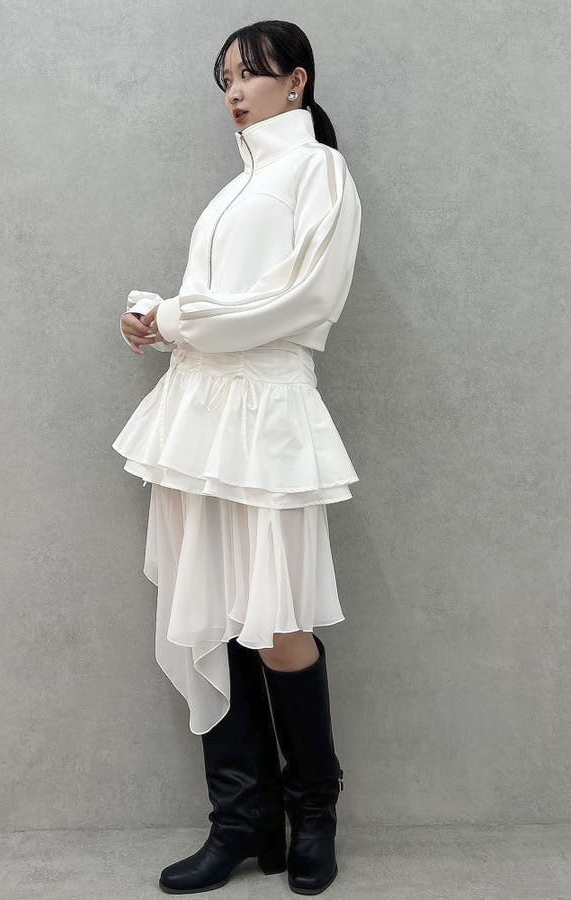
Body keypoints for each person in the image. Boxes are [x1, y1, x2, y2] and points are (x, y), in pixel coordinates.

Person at [112, 20, 362, 896]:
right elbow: (219, 304)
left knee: (279, 622)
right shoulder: (234, 189)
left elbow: (304, 302)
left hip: (270, 418)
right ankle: (242, 821)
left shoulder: (318, 171)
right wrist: (157, 321)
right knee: (210, 612)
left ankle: (315, 811)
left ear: (297, 81)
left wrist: (177, 319)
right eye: (224, 78)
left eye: (250, 74)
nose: (234, 91)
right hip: (199, 417)